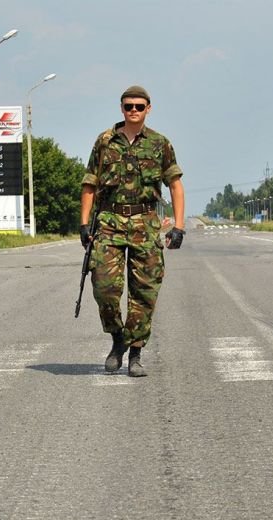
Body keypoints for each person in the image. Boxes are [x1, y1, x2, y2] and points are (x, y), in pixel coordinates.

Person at [79, 85, 185, 377]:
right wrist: (84, 222)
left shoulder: (160, 143)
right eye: (129, 106)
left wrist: (179, 226)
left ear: (148, 108)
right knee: (104, 288)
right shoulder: (105, 142)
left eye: (139, 106)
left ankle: (134, 353)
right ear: (121, 108)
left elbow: (174, 184)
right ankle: (117, 339)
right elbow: (89, 183)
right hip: (109, 223)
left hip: (145, 222)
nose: (134, 111)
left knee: (144, 292)